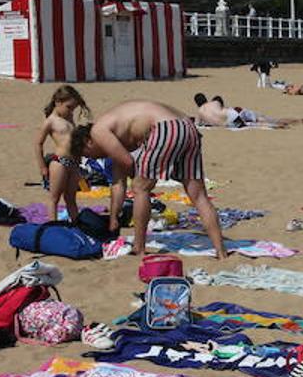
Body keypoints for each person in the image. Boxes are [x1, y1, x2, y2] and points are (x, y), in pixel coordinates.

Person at [87, 100, 227, 258]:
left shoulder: (98, 131)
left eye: (87, 155)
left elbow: (127, 163)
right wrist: (113, 218)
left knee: (140, 188)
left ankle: (139, 247)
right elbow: (118, 182)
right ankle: (221, 250)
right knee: (199, 196)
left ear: (88, 143)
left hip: (166, 128)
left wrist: (140, 179)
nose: (93, 158)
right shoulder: (118, 130)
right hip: (188, 126)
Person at [34, 85, 93, 224]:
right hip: (59, 162)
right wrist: (42, 166)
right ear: (58, 102)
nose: (71, 111)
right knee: (54, 198)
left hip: (74, 164)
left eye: (73, 108)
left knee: (71, 198)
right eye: (68, 107)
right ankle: (53, 226)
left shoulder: (69, 118)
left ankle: (77, 224)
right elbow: (38, 144)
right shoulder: (50, 121)